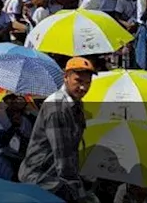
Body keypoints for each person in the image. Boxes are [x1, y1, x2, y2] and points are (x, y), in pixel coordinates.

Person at [19, 57, 97, 203]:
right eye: (79, 81)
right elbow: (64, 159)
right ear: (66, 77)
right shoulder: (57, 109)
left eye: (88, 83)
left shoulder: (75, 103)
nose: (83, 88)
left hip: (55, 177)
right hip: (41, 179)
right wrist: (80, 194)